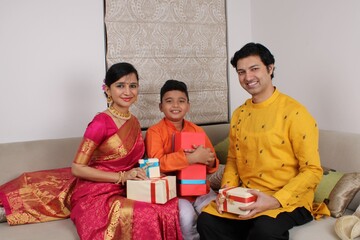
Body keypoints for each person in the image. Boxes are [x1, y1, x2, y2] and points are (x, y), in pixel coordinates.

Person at [0, 62, 183, 240]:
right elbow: (77, 168)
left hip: (130, 186)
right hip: (97, 191)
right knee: (144, 213)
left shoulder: (134, 122)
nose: (127, 92)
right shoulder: (100, 123)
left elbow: (134, 160)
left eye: (132, 86)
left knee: (167, 206)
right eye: (120, 85)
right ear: (108, 90)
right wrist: (122, 177)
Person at [196, 43, 324, 240]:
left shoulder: (295, 113)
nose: (248, 77)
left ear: (270, 68)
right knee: (207, 221)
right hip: (247, 196)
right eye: (241, 72)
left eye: (254, 69)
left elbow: (313, 170)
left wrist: (275, 200)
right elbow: (233, 159)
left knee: (263, 230)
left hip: (289, 200)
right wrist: (227, 193)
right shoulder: (239, 114)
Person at [145, 79, 221, 240]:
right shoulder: (155, 132)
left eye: (181, 101)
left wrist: (209, 161)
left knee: (217, 213)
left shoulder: (197, 130)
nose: (175, 105)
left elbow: (213, 162)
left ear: (188, 105)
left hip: (201, 191)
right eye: (169, 101)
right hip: (174, 195)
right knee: (187, 219)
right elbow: (156, 164)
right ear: (160, 106)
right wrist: (190, 158)